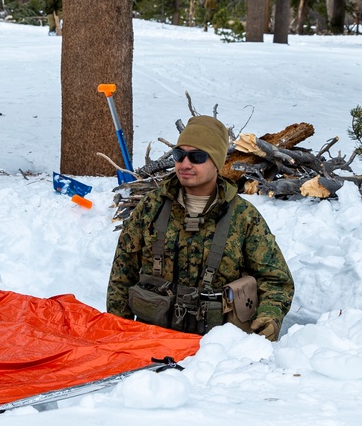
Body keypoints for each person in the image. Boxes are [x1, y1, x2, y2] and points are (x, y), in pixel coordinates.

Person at [106, 116, 294, 341]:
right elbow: (122, 274)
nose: (185, 164)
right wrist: (119, 334)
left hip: (216, 349)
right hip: (151, 342)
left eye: (197, 157)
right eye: (179, 155)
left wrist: (268, 318)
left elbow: (276, 280)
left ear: (216, 162)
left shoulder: (243, 217)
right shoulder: (151, 207)